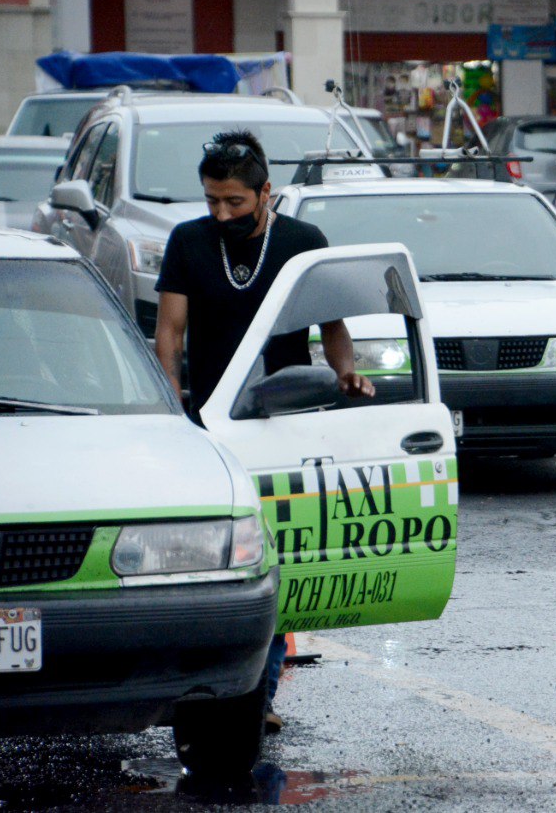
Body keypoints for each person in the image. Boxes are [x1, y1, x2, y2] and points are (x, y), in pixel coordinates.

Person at [154, 129, 374, 734]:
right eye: (211, 202)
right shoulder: (188, 242)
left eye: (234, 203)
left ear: (265, 192)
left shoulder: (303, 244)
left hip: (285, 425)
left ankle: (260, 692)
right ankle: (197, 685)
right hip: (210, 425)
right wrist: (174, 405)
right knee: (209, 559)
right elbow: (171, 332)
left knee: (278, 560)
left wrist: (347, 374)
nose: (221, 214)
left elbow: (333, 328)